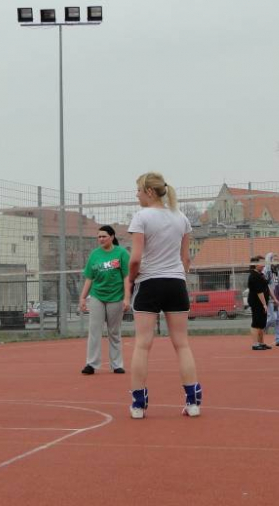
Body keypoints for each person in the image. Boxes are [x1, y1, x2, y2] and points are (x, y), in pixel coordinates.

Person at [127, 172, 201, 419]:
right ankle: (193, 402)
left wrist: (131, 278)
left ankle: (138, 404)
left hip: (149, 282)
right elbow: (186, 258)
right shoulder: (181, 218)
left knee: (142, 344)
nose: (136, 195)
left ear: (149, 192)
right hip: (176, 283)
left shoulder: (141, 217)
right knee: (182, 344)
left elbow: (135, 259)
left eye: (138, 190)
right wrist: (178, 275)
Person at [79, 225, 130, 374]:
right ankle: (91, 364)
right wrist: (83, 298)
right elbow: (89, 278)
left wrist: (127, 298)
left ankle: (117, 364)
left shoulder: (122, 253)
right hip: (97, 296)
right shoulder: (95, 254)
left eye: (104, 236)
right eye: (99, 237)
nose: (101, 239)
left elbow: (127, 277)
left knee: (114, 332)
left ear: (112, 237)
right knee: (94, 330)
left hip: (116, 297)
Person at [247, 255, 271, 350]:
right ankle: (255, 344)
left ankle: (261, 343)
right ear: (255, 264)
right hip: (256, 303)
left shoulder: (260, 274)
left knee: (261, 323)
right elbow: (259, 292)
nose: (263, 265)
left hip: (262, 303)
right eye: (261, 263)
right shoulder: (254, 276)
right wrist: (264, 304)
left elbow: (266, 287)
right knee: (256, 323)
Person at [263, 252, 279, 347]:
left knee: (278, 319)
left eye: (277, 259)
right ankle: (262, 329)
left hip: (277, 297)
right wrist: (272, 297)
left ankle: (278, 340)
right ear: (270, 260)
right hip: (270, 298)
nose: (276, 261)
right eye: (274, 259)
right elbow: (266, 285)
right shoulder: (267, 271)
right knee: (272, 318)